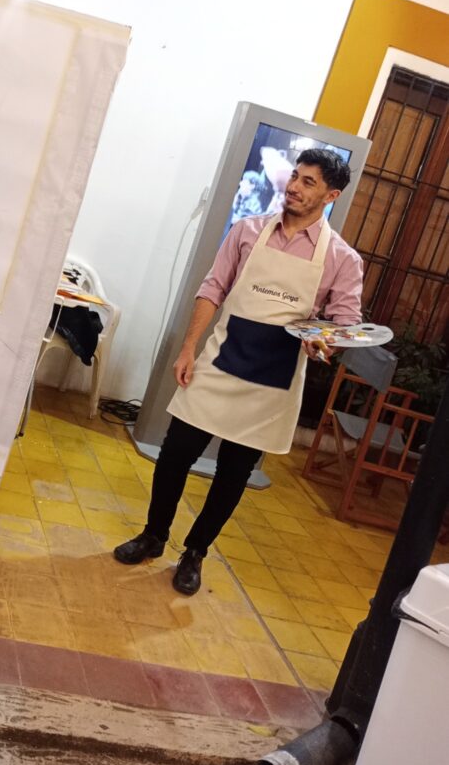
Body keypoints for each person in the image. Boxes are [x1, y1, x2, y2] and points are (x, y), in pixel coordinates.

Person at [114, 148, 363, 595]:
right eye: (295, 176)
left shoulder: (343, 259)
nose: (293, 187)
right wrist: (188, 347)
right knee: (175, 454)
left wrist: (322, 343)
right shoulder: (247, 230)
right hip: (219, 363)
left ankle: (195, 553)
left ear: (332, 195)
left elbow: (343, 325)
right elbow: (213, 288)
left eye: (308, 182)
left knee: (233, 474)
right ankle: (154, 534)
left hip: (273, 381)